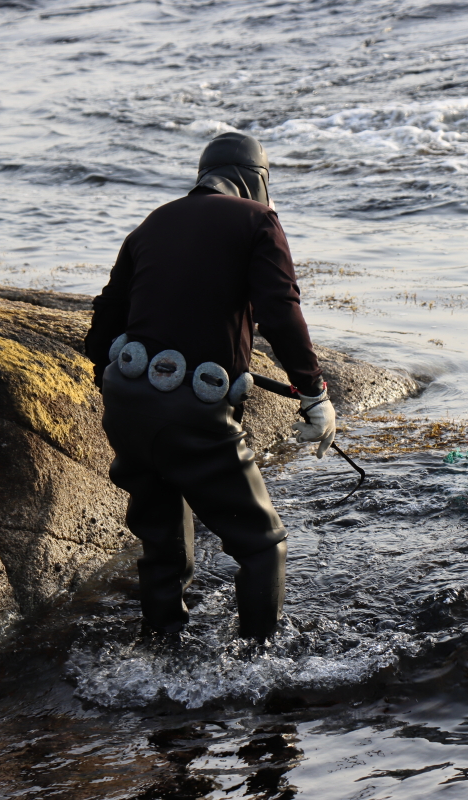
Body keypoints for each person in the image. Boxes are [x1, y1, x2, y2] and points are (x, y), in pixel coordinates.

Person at [84, 131, 335, 641]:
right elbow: (279, 314)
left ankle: (160, 651)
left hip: (126, 403)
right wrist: (314, 394)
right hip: (194, 412)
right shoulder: (258, 220)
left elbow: (103, 327)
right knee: (263, 545)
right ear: (258, 180)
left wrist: (129, 393)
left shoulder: (154, 221)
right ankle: (259, 671)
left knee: (164, 546)